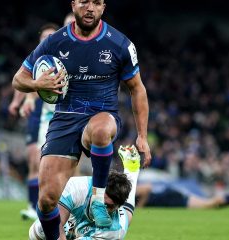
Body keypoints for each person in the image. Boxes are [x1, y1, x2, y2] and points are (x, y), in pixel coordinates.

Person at [12, 0, 151, 238]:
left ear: (104, 7)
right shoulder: (55, 41)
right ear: (74, 4)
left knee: (100, 130)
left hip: (102, 115)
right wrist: (37, 83)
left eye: (96, 3)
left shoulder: (120, 44)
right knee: (46, 201)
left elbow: (137, 89)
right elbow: (18, 79)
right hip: (65, 120)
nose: (90, 8)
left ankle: (98, 198)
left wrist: (142, 136)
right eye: (84, 2)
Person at [29, 145, 141, 240]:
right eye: (102, 202)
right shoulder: (76, 187)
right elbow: (56, 226)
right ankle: (132, 169)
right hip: (76, 212)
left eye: (109, 206)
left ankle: (132, 170)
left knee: (125, 219)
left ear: (117, 207)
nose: (103, 209)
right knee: (38, 232)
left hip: (104, 229)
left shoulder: (114, 231)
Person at [9, 22, 60, 220]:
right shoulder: (37, 57)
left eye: (51, 35)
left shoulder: (62, 59)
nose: (47, 39)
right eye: (44, 35)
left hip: (60, 113)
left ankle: (61, 205)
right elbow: (21, 80)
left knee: (60, 164)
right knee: (33, 158)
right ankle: (33, 205)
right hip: (39, 113)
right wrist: (18, 102)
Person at [136, 182, 229, 210]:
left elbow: (147, 188)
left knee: (209, 204)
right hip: (170, 198)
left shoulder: (126, 190)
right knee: (212, 205)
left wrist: (140, 208)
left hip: (171, 197)